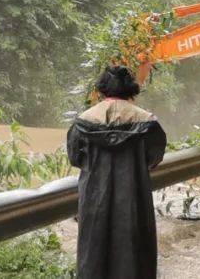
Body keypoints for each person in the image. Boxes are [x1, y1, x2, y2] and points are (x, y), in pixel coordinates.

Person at [67, 65, 167, 279]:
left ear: (102, 89)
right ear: (131, 89)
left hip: (95, 196)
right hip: (134, 195)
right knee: (135, 249)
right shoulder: (147, 122)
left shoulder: (84, 120)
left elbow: (75, 157)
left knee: (94, 248)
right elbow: (154, 157)